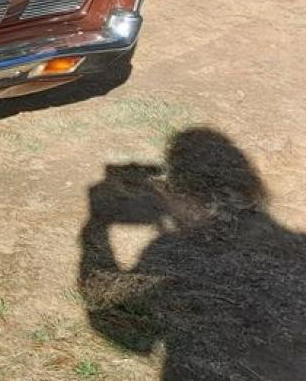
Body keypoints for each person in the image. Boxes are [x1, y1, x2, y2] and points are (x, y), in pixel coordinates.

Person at [79, 128, 306, 380]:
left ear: (186, 195)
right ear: (250, 188)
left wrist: (97, 224)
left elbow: (121, 327)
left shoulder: (172, 254)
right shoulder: (299, 251)